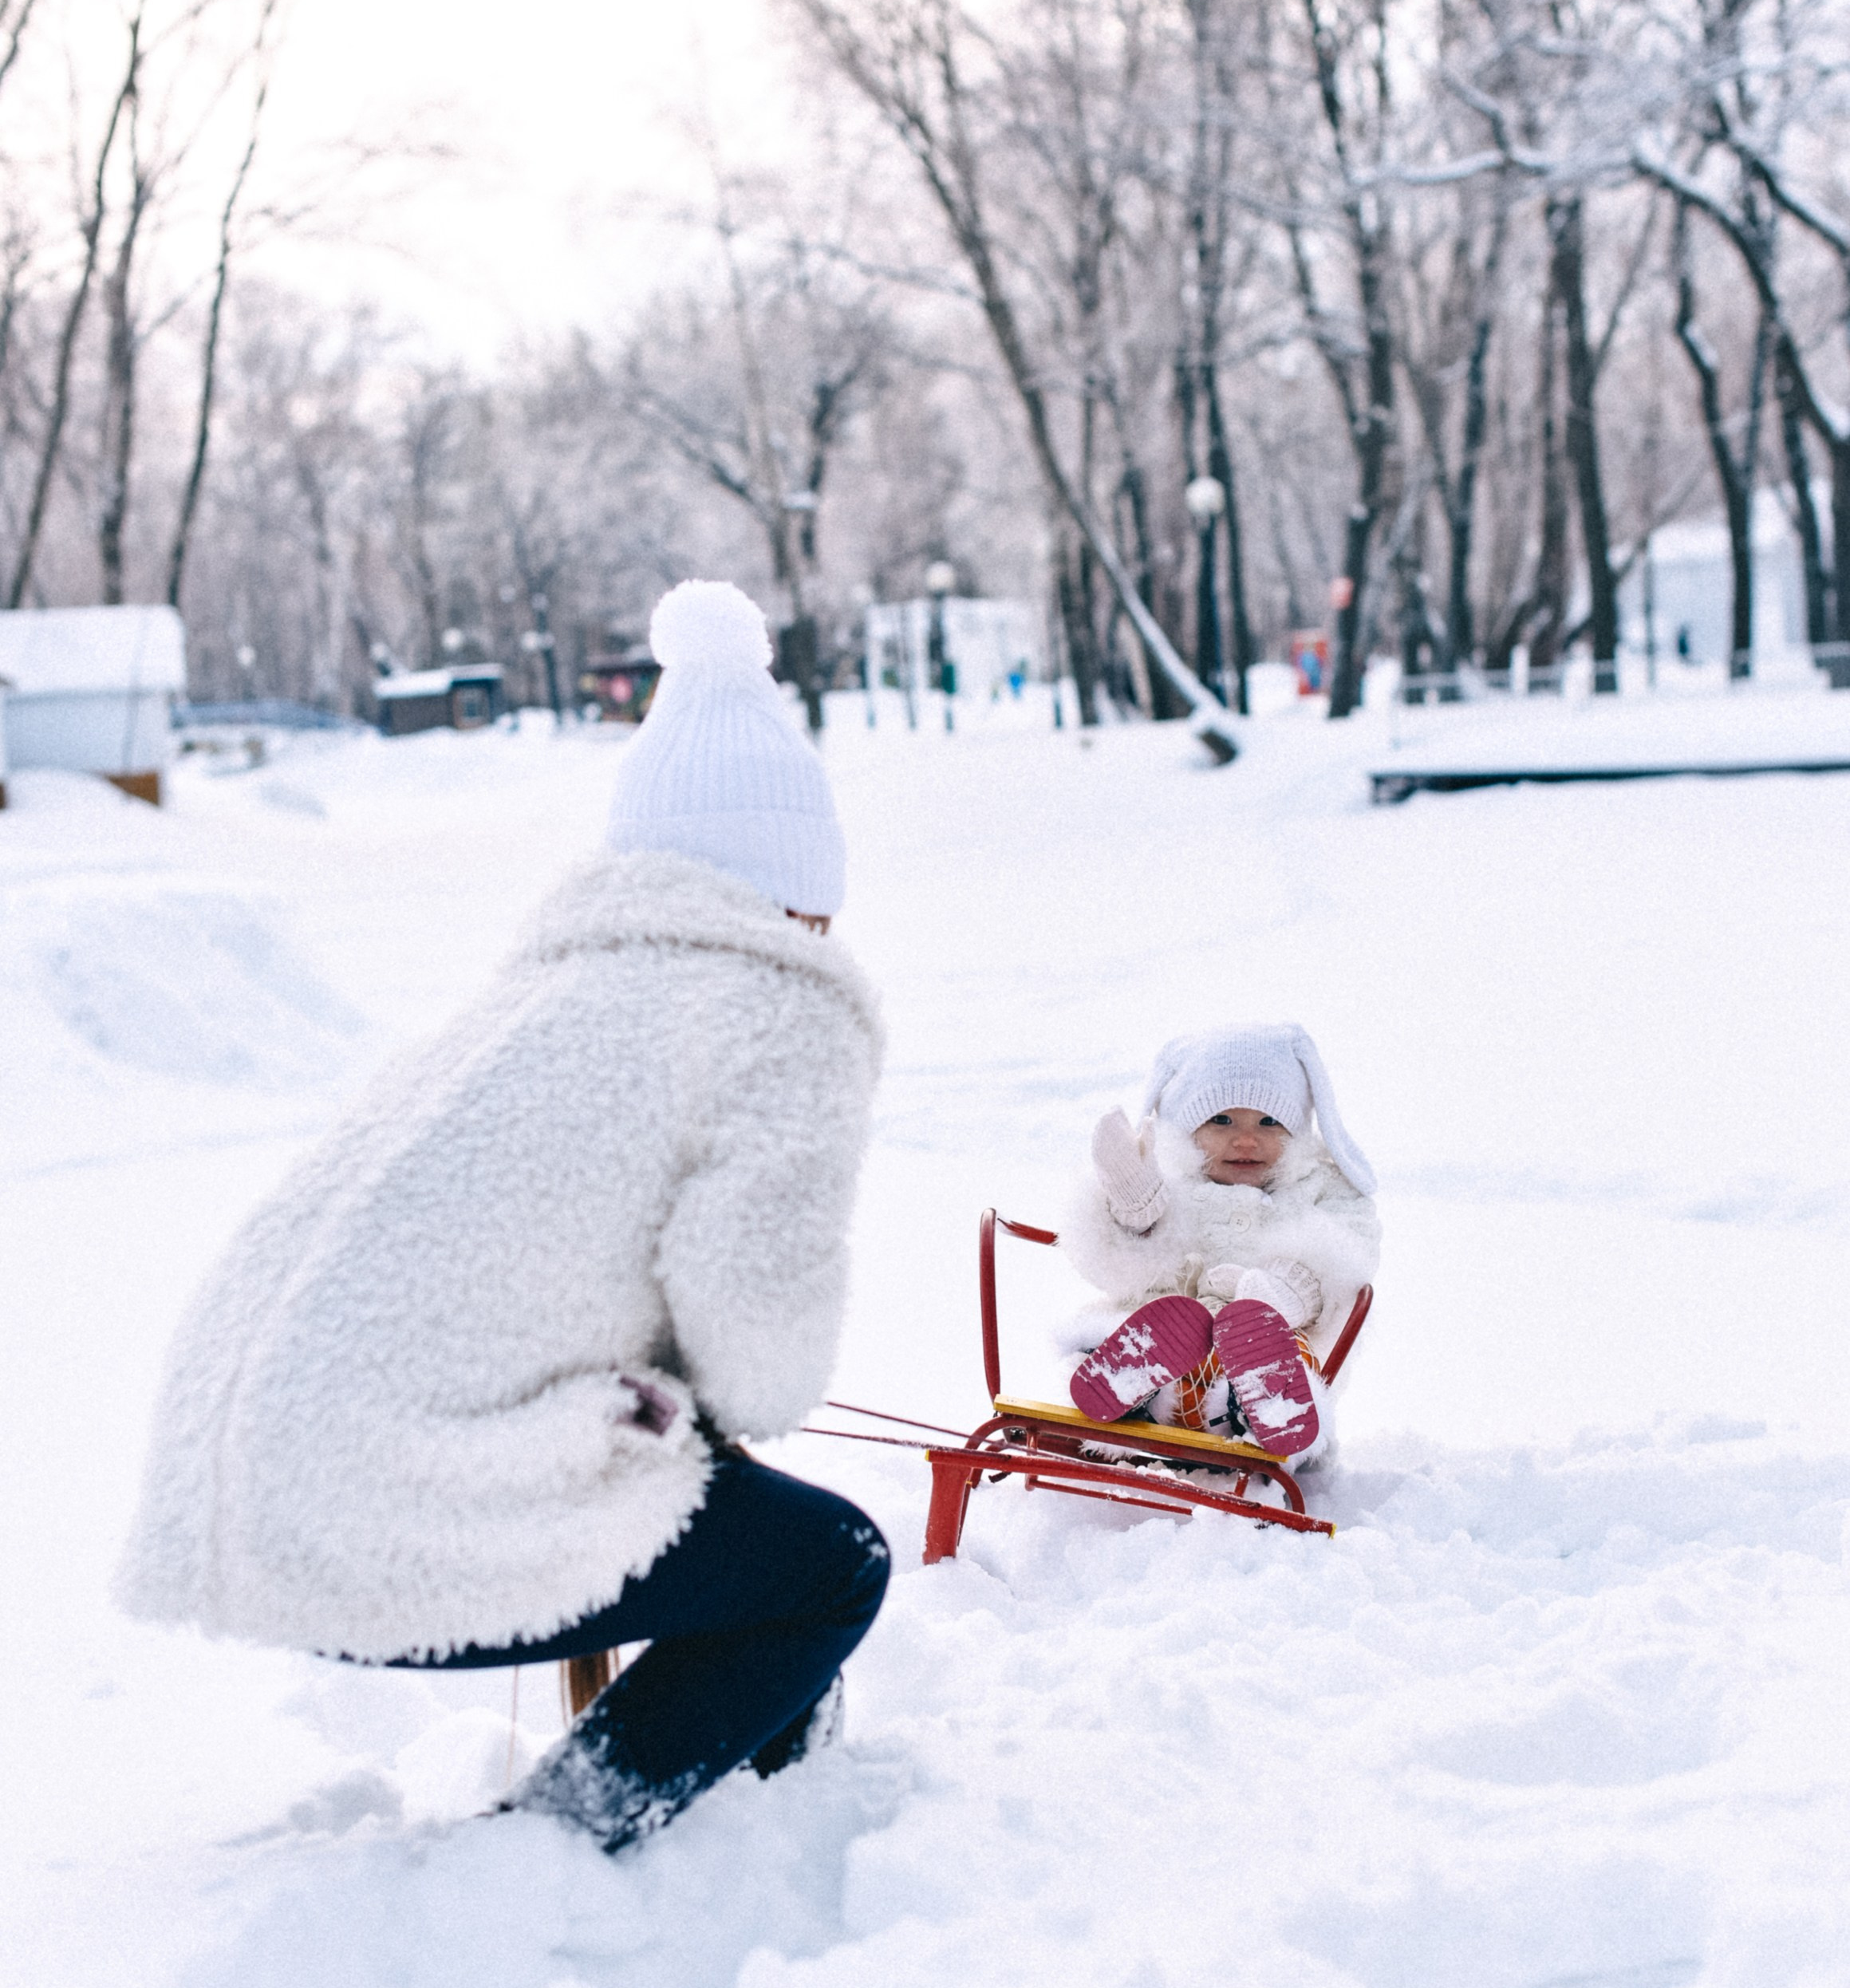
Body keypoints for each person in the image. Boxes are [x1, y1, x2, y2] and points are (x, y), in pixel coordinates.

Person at [115, 580, 890, 1855]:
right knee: (830, 1564)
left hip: (238, 1491)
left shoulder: (539, 993)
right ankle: (554, 1850)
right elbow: (760, 1359)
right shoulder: (775, 999)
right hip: (397, 1508)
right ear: (803, 887)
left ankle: (722, 1805)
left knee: (735, 1526)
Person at [1060, 1024, 1379, 1463]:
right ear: (1187, 1127)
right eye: (1222, 1120)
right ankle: (1124, 1382)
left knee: (1282, 1351)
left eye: (1269, 1121)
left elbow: (1348, 1243)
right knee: (1118, 1326)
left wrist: (1289, 1290)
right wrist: (1135, 1213)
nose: (1246, 1139)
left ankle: (1261, 1410)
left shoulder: (1320, 1187)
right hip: (1166, 1355)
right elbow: (1111, 1269)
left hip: (1263, 1346)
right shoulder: (1167, 1180)